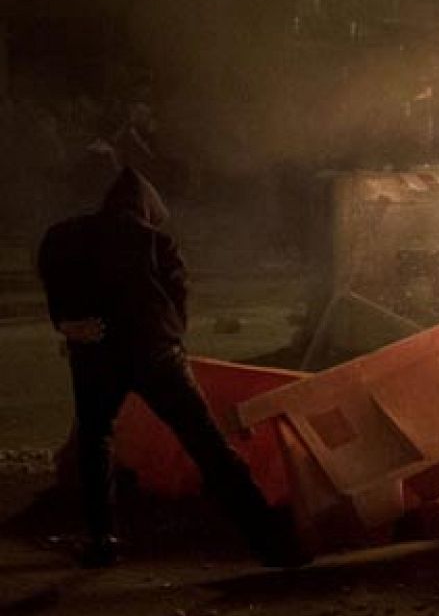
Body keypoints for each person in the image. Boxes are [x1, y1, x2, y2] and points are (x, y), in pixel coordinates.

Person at [37, 168, 300, 569]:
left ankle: (102, 540)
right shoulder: (157, 241)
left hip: (94, 351)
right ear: (146, 207)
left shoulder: (66, 235)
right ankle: (270, 540)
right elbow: (179, 301)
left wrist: (66, 322)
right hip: (155, 354)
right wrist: (172, 340)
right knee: (206, 443)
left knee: (96, 440)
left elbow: (51, 270)